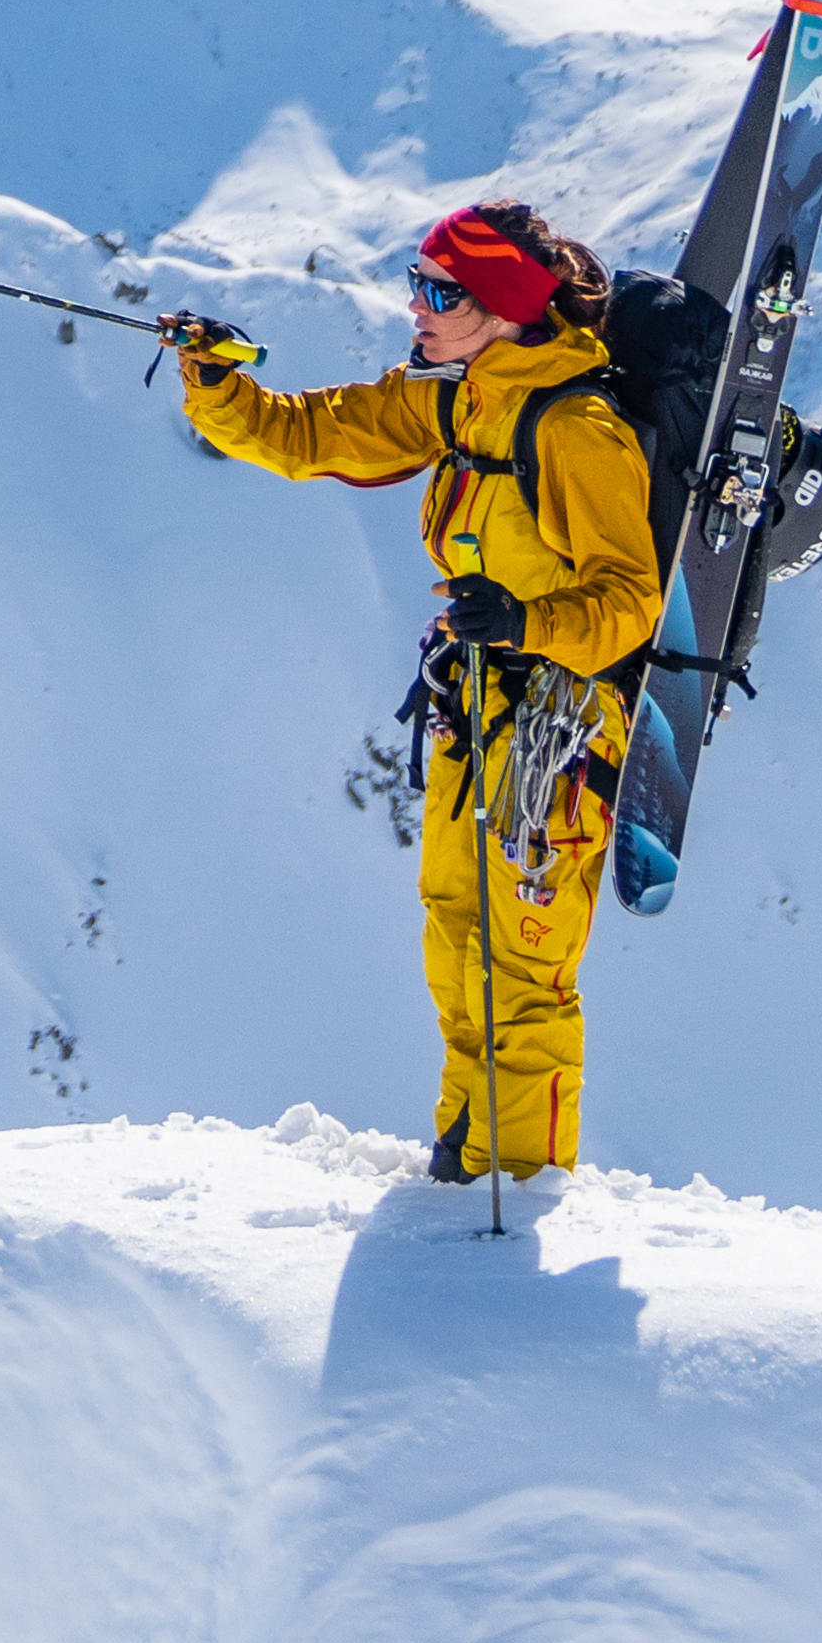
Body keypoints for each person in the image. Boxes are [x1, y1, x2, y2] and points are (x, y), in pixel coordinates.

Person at [171, 204, 663, 1182]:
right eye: (417, 281)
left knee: (522, 967)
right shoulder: (458, 399)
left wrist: (522, 624)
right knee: (457, 927)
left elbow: (629, 601)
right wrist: (217, 386)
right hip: (473, 710)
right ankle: (467, 1154)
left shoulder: (575, 428)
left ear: (504, 309)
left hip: (555, 735)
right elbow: (314, 432)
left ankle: (517, 1185)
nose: (418, 305)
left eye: (442, 291)